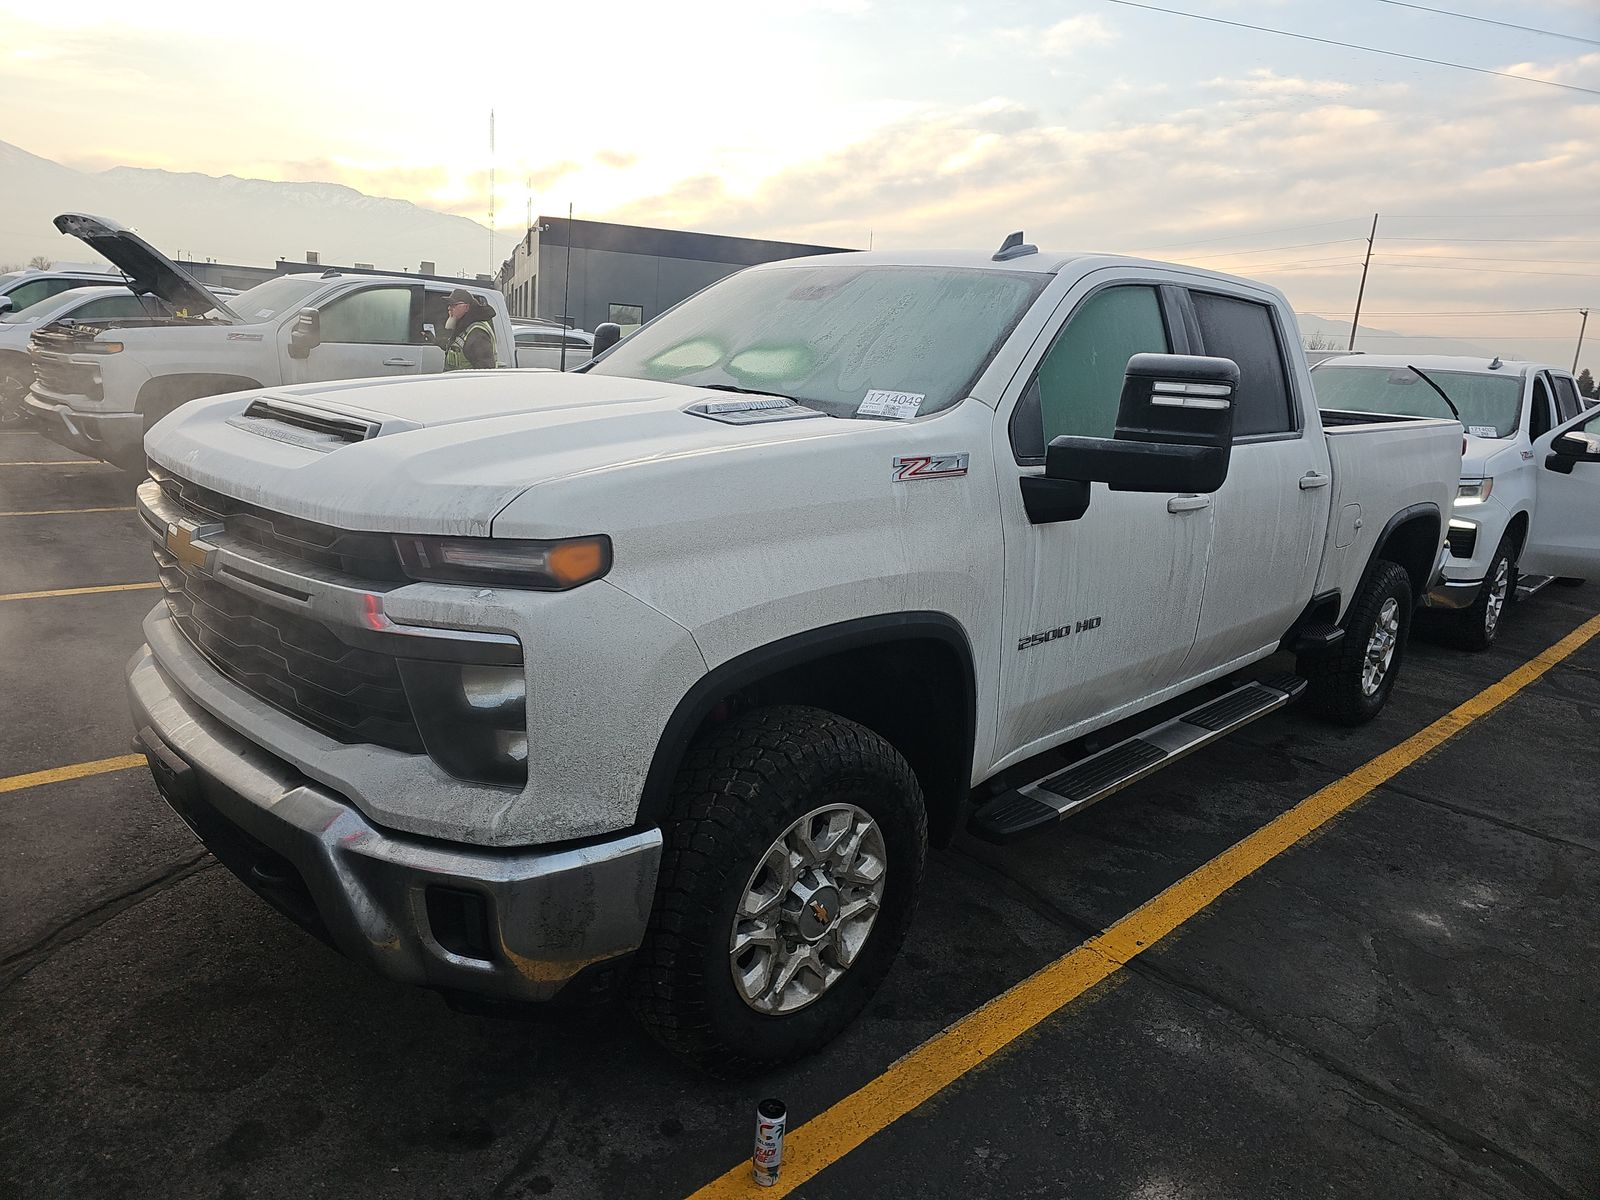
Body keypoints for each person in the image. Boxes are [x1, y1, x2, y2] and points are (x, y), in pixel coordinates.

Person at [437, 288, 498, 370]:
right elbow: (459, 346)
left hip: (467, 382)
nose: (449, 308)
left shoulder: (477, 334)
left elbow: (485, 371)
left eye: (453, 305)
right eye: (449, 305)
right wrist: (435, 340)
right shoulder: (464, 326)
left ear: (466, 307)